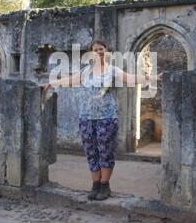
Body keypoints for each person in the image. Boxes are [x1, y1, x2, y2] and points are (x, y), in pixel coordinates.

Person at [39, 39, 162, 200]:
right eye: (95, 49)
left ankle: (105, 185)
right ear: (91, 53)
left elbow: (130, 78)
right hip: (87, 117)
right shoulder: (86, 71)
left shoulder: (113, 70)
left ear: (106, 50)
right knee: (91, 152)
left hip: (107, 117)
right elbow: (68, 80)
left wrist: (152, 78)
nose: (98, 52)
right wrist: (50, 83)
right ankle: (95, 185)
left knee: (105, 152)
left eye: (101, 49)